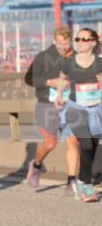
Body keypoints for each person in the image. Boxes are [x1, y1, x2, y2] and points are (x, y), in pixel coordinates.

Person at [25, 26, 77, 192]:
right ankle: (37, 165)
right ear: (55, 41)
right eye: (61, 44)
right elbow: (29, 78)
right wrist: (49, 82)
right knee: (51, 143)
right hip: (47, 104)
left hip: (69, 104)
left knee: (73, 141)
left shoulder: (76, 57)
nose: (64, 47)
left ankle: (71, 181)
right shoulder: (43, 57)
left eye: (67, 43)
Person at [55, 28, 102, 202]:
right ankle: (88, 187)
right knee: (86, 145)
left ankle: (81, 182)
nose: (80, 42)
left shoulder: (99, 63)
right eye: (78, 39)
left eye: (84, 39)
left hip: (96, 110)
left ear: (93, 42)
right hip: (76, 109)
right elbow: (63, 77)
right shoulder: (69, 62)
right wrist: (59, 95)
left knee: (93, 148)